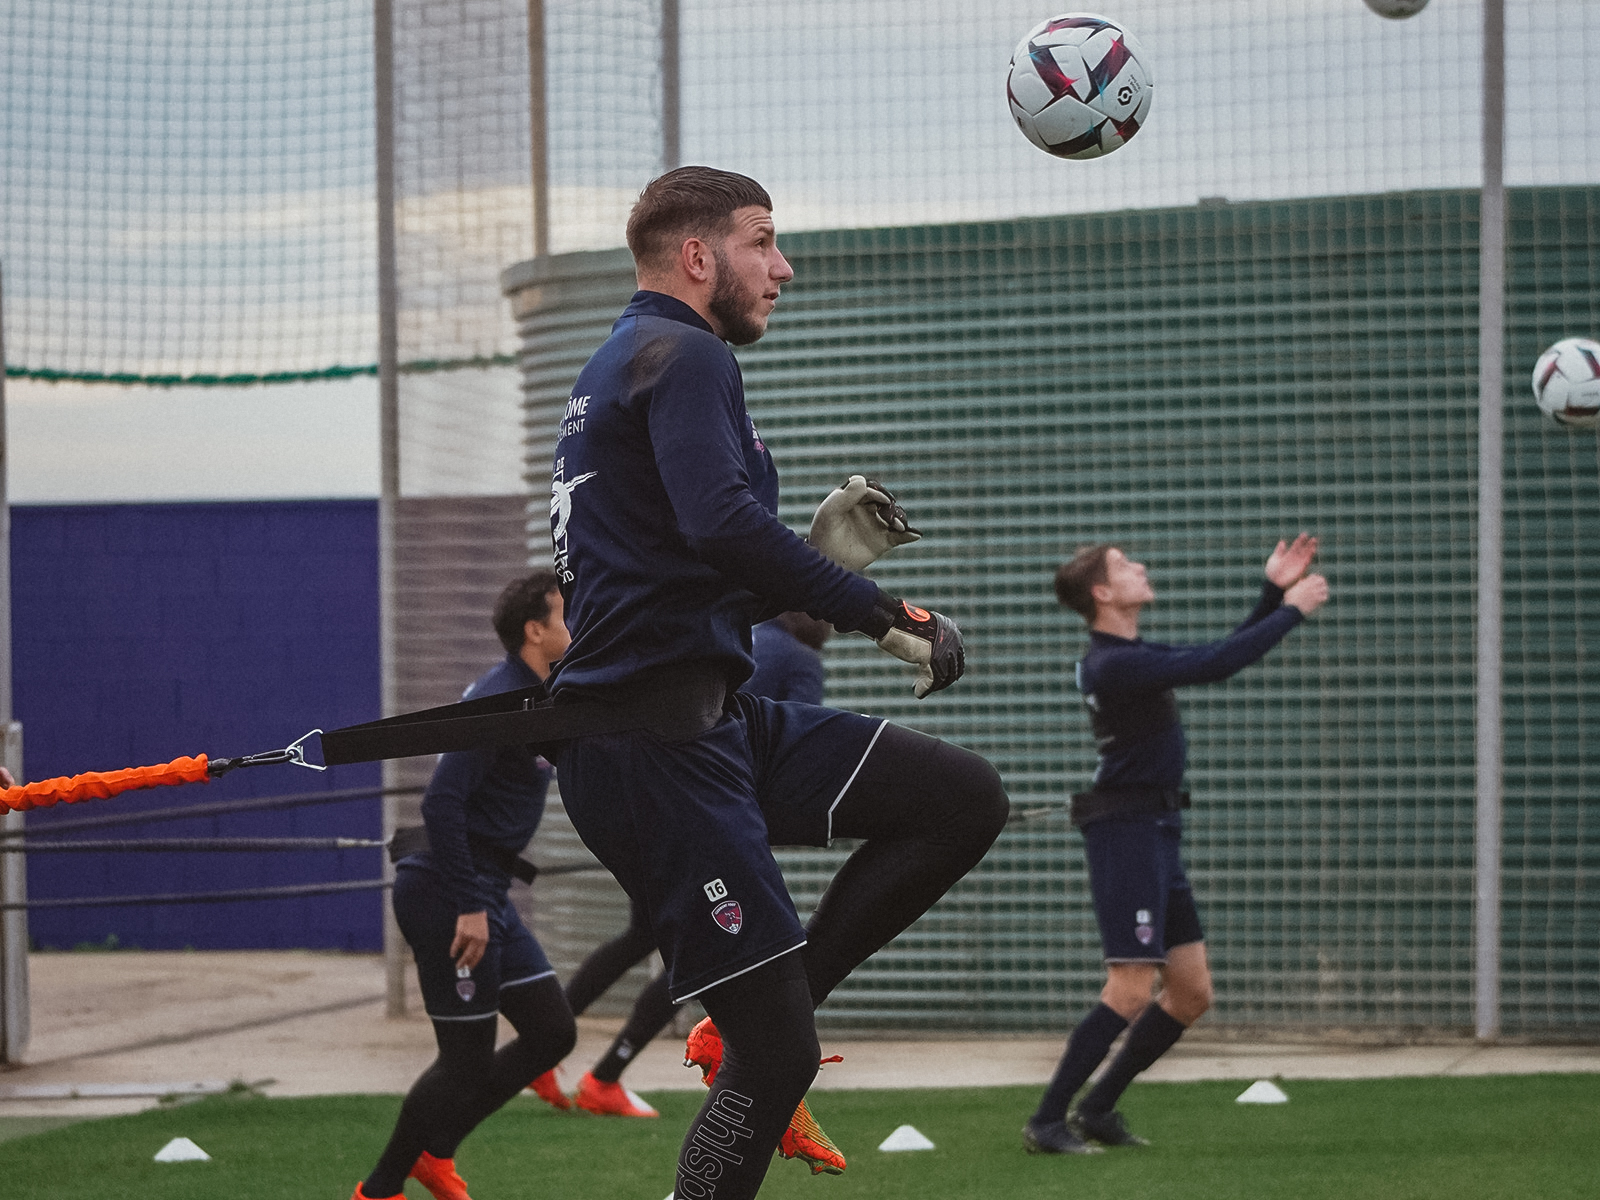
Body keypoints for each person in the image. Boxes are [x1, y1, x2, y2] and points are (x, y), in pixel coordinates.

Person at [546, 165, 1010, 1198]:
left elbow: (681, 575)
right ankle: (758, 1031)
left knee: (961, 798)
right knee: (777, 1057)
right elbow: (718, 524)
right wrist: (884, 613)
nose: (782, 266)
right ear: (698, 256)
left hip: (706, 722)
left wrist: (815, 568)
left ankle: (765, 1009)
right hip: (654, 750)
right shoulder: (686, 354)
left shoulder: (625, 362)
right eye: (763, 241)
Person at [1023, 538, 1329, 1155]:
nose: (1141, 567)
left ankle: (1099, 1109)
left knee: (1190, 992)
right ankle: (1047, 1122)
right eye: (1124, 566)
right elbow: (1218, 663)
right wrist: (1291, 608)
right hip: (1127, 835)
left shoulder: (1127, 655)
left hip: (1156, 831)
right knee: (1131, 988)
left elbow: (1213, 656)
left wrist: (1271, 591)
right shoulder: (1114, 664)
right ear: (1103, 594)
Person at [527, 611, 833, 1119]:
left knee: (642, 938)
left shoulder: (740, 637)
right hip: (711, 820)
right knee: (700, 952)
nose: (831, 623)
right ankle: (604, 1076)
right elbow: (797, 744)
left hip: (650, 798)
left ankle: (545, 1053)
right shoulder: (800, 657)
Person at [352, 572, 577, 1200]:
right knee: (466, 1059)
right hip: (449, 894)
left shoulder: (540, 694)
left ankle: (436, 1153)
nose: (575, 626)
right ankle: (379, 1189)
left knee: (552, 1032)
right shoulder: (499, 700)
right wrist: (473, 906)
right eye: (566, 616)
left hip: (485, 888)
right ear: (536, 631)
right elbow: (441, 802)